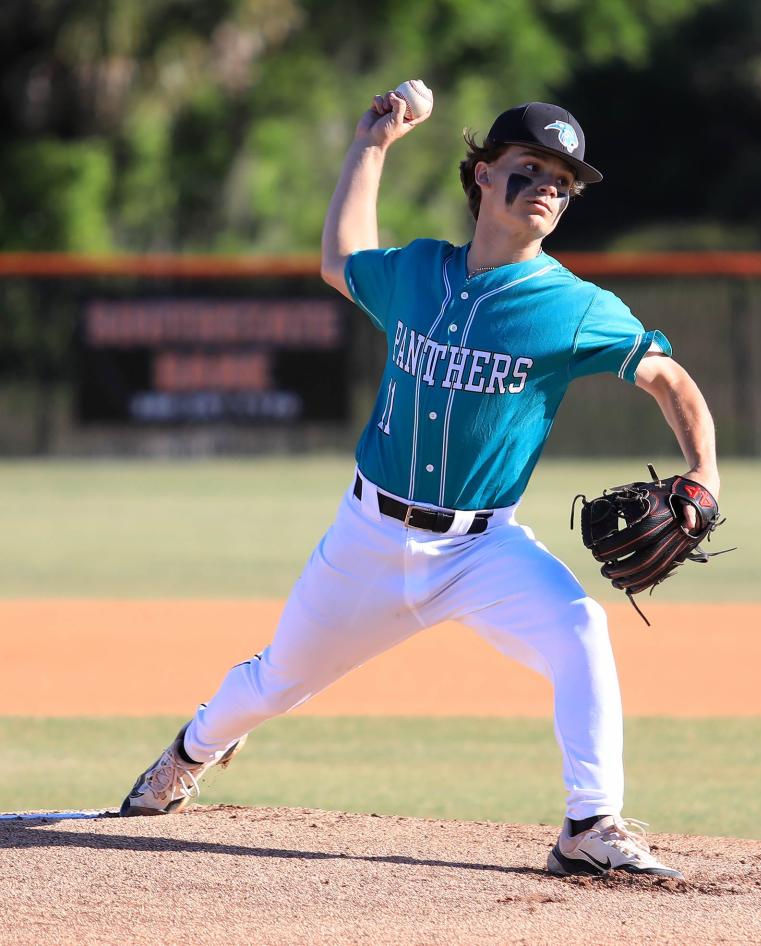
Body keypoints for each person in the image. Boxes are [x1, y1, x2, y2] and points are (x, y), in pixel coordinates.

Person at [119, 91, 720, 880]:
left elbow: (667, 377)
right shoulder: (417, 273)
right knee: (273, 684)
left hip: (483, 548)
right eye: (529, 168)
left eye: (564, 182)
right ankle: (190, 753)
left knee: (580, 630)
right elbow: (339, 260)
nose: (548, 186)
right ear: (481, 175)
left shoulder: (576, 307)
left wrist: (704, 473)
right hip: (368, 537)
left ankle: (588, 823)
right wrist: (371, 145)